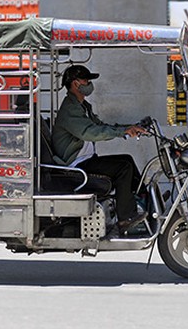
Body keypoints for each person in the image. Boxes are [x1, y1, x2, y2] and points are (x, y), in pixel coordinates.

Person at [51, 65, 148, 234]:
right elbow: (92, 133)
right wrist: (121, 132)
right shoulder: (70, 109)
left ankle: (144, 200)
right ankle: (126, 218)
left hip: (87, 160)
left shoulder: (83, 107)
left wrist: (129, 127)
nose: (89, 84)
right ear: (76, 84)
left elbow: (101, 126)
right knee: (122, 168)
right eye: (86, 80)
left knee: (126, 159)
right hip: (75, 166)